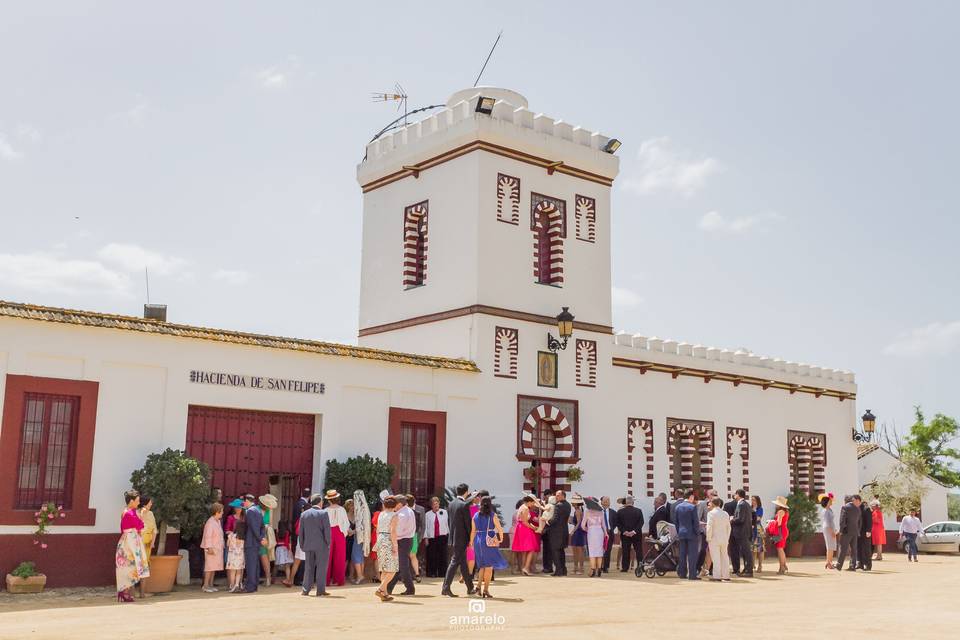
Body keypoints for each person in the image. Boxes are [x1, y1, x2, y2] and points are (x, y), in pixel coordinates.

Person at [469, 495, 508, 598]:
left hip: (478, 540)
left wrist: (471, 542)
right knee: (489, 567)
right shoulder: (492, 515)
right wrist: (501, 539)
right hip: (488, 540)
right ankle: (485, 589)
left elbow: (473, 531)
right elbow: (499, 528)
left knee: (482, 565)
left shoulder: (476, 515)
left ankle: (478, 587)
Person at [115, 489, 149, 603]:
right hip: (130, 541)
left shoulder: (129, 511)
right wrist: (143, 514)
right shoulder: (129, 513)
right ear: (131, 501)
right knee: (130, 565)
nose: (139, 503)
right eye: (137, 500)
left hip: (130, 539)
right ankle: (124, 592)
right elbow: (140, 525)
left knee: (129, 565)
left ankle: (124, 592)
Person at [442, 484, 475, 597]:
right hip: (462, 538)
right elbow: (468, 524)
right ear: (466, 492)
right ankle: (445, 587)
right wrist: (471, 538)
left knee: (463, 564)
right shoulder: (464, 505)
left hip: (454, 537)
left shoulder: (451, 504)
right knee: (455, 561)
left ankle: (470, 587)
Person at [299, 493, 331, 597]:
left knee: (308, 567)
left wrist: (302, 544)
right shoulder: (323, 513)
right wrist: (328, 543)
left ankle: (305, 589)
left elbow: (301, 532)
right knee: (321, 568)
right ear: (320, 502)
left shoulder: (304, 514)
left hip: (308, 544)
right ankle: (320, 590)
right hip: (321, 545)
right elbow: (327, 531)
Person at [387, 494, 417, 595]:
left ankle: (410, 588)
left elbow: (397, 531)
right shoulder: (408, 511)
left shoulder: (401, 515)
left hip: (402, 540)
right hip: (407, 540)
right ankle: (389, 587)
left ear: (399, 504)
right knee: (400, 566)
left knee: (402, 566)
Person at [374, 496, 399, 602]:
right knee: (393, 569)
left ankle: (384, 593)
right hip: (388, 540)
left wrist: (377, 542)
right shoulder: (394, 515)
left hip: (380, 539)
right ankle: (381, 589)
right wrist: (395, 545)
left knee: (384, 568)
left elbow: (377, 529)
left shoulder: (381, 514)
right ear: (395, 505)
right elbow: (393, 531)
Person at [323, 489, 349, 587]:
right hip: (340, 532)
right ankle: (339, 580)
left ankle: (326, 580)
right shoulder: (342, 509)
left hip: (329, 532)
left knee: (327, 557)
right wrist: (344, 532)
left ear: (329, 500)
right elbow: (346, 523)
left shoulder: (325, 511)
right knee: (340, 556)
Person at [511, 495, 541, 576]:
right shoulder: (525, 508)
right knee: (531, 549)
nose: (534, 504)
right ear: (530, 501)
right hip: (525, 529)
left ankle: (524, 569)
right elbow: (524, 521)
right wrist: (533, 527)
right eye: (533, 502)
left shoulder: (522, 507)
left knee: (525, 550)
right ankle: (526, 568)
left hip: (522, 528)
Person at [242, 495, 267, 592]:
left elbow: (253, 527)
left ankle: (250, 586)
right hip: (256, 542)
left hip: (251, 541)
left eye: (244, 501)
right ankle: (254, 585)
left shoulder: (250, 511)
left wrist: (260, 538)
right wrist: (262, 537)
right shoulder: (258, 510)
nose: (244, 504)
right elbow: (262, 526)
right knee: (255, 564)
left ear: (247, 501)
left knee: (251, 565)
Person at [545, 490, 572, 576]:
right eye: (556, 495)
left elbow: (555, 519)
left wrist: (547, 521)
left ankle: (558, 570)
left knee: (555, 551)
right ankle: (563, 570)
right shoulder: (568, 505)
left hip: (556, 532)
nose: (556, 497)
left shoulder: (558, 506)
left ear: (563, 496)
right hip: (564, 530)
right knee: (561, 551)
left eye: (558, 495)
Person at [675, 489, 700, 580]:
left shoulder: (678, 507)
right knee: (692, 555)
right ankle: (692, 575)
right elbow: (696, 522)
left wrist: (679, 532)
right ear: (691, 497)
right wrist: (697, 532)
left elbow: (676, 522)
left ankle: (682, 573)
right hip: (692, 534)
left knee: (682, 554)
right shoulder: (692, 507)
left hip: (681, 533)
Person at [615, 496, 644, 573]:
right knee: (638, 551)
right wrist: (634, 531)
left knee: (625, 551)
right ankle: (641, 567)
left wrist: (625, 531)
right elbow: (641, 523)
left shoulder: (620, 512)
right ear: (633, 502)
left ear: (626, 502)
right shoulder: (638, 511)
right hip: (636, 535)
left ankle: (625, 568)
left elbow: (618, 523)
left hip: (625, 535)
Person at [705, 497, 731, 581]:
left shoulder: (711, 513)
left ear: (712, 503)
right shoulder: (725, 514)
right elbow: (729, 527)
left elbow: (709, 526)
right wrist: (727, 538)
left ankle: (717, 576)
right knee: (725, 557)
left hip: (714, 538)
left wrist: (708, 537)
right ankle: (726, 575)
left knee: (716, 558)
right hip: (724, 538)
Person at [201, 503, 225, 592]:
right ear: (217, 512)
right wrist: (209, 547)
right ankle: (205, 585)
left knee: (214, 567)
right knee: (209, 567)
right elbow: (208, 536)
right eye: (221, 511)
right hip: (211, 548)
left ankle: (211, 585)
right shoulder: (210, 522)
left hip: (217, 547)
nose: (223, 513)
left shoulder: (217, 521)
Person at [136, 495, 157, 598]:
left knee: (145, 567)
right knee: (136, 567)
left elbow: (154, 530)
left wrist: (152, 543)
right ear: (144, 504)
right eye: (150, 502)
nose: (151, 504)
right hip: (138, 544)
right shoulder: (137, 513)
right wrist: (142, 515)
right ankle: (132, 593)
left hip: (147, 544)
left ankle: (142, 593)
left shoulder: (151, 514)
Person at [423, 496, 449, 578]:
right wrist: (426, 538)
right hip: (432, 537)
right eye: (434, 504)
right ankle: (432, 573)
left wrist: (448, 534)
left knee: (443, 555)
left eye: (437, 504)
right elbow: (426, 526)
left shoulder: (444, 512)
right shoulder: (427, 514)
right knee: (432, 556)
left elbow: (447, 524)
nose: (436, 506)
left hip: (442, 536)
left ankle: (442, 573)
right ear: (431, 505)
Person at [581, 498, 608, 577]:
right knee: (599, 551)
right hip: (600, 531)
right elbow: (604, 525)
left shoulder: (587, 511)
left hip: (591, 532)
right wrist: (606, 533)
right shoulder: (601, 511)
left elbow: (583, 525)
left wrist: (587, 529)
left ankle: (593, 570)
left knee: (592, 551)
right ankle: (599, 569)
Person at [730, 489, 753, 577]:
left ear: (738, 495)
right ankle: (747, 569)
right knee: (745, 551)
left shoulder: (741, 504)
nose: (734, 496)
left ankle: (749, 571)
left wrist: (732, 519)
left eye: (735, 494)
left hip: (741, 532)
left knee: (746, 552)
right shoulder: (745, 504)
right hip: (745, 531)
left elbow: (740, 519)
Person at [836, 494, 861, 572]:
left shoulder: (845, 507)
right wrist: (858, 531)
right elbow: (860, 522)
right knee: (854, 550)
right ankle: (852, 566)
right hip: (855, 532)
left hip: (846, 531)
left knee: (843, 548)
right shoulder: (858, 509)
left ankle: (839, 565)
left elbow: (842, 520)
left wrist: (841, 530)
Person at [258, 493, 278, 587]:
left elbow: (270, 524)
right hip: (257, 535)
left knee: (264, 557)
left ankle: (267, 578)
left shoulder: (269, 511)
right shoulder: (256, 509)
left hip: (265, 536)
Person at [225, 504, 246, 592]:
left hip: (232, 556)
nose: (238, 509)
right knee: (239, 570)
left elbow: (227, 544)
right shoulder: (244, 538)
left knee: (233, 570)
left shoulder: (231, 536)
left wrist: (231, 535)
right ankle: (236, 584)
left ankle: (233, 585)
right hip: (240, 555)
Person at [768, 496, 790, 574]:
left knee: (780, 549)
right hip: (783, 530)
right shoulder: (786, 511)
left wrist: (771, 522)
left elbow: (779, 523)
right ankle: (784, 565)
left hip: (780, 531)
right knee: (781, 549)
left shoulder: (780, 511)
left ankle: (782, 567)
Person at [407, 494, 425, 582]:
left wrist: (420, 537)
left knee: (409, 556)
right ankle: (414, 575)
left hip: (412, 536)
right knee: (412, 556)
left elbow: (423, 525)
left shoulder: (419, 509)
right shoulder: (412, 512)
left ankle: (413, 575)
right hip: (413, 535)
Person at [569, 495, 587, 574]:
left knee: (578, 551)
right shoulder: (579, 510)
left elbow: (579, 522)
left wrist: (573, 531)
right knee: (577, 551)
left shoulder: (578, 511)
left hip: (578, 532)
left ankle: (580, 569)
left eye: (573, 502)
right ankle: (577, 568)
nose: (572, 503)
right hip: (579, 532)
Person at [819, 493, 837, 570]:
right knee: (830, 546)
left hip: (830, 528)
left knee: (831, 546)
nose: (831, 501)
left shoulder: (829, 509)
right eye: (830, 501)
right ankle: (829, 563)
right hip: (828, 529)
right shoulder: (826, 511)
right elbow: (827, 522)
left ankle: (829, 562)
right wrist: (832, 531)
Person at [600, 496, 617, 573]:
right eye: (605, 500)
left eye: (608, 500)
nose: (607, 502)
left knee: (607, 550)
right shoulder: (598, 511)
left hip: (610, 533)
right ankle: (599, 565)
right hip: (600, 533)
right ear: (601, 502)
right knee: (600, 550)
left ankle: (606, 567)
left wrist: (611, 528)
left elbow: (616, 522)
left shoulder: (613, 512)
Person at [274, 520, 293, 586]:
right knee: (287, 565)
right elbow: (288, 542)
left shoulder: (277, 532)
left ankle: (272, 579)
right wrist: (290, 550)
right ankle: (288, 579)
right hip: (285, 549)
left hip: (278, 549)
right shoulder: (287, 532)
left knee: (276, 565)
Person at [857, 497, 873, 571]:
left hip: (865, 532)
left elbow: (869, 521)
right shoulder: (856, 508)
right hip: (858, 532)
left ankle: (868, 565)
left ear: (859, 501)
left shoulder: (866, 509)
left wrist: (869, 531)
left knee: (867, 549)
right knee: (859, 548)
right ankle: (860, 564)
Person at [750, 495, 765, 573]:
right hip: (751, 529)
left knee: (760, 549)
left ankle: (760, 565)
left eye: (754, 500)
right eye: (752, 500)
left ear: (758, 501)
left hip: (758, 529)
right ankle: (752, 565)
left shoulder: (760, 509)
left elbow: (758, 519)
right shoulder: (750, 508)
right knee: (752, 549)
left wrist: (751, 519)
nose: (753, 501)